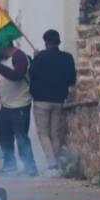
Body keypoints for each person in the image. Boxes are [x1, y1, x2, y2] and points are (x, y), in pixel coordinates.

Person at [30, 29, 77, 174]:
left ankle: (52, 165)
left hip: (41, 101)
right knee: (55, 134)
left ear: (46, 42)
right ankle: (56, 164)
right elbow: (72, 79)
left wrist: (35, 58)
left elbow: (31, 75)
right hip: (59, 100)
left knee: (43, 134)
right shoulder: (67, 57)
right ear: (58, 41)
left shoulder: (40, 57)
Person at [0, 42, 38, 176]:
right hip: (6, 105)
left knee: (21, 137)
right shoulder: (5, 60)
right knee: (3, 134)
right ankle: (9, 164)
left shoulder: (20, 57)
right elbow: (4, 77)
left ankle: (30, 166)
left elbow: (17, 76)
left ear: (6, 46)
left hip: (20, 104)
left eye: (0, 49)